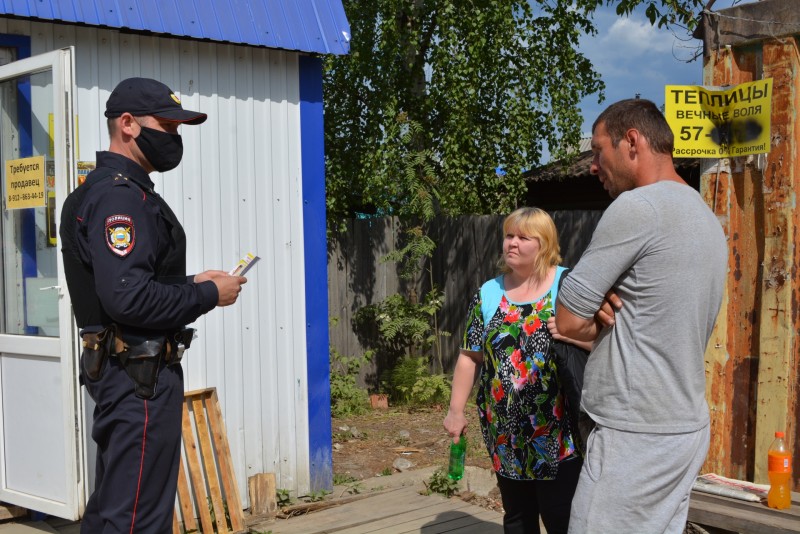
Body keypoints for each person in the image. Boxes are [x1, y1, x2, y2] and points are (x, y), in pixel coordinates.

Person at [60, 77, 247, 533]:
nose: (174, 138)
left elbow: (129, 283)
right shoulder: (119, 197)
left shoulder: (98, 192)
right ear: (127, 124)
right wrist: (206, 295)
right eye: (166, 126)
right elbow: (129, 297)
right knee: (136, 521)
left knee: (111, 512)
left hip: (125, 377)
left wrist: (190, 281)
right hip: (138, 382)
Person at [555, 98, 728, 534]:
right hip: (683, 429)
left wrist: (593, 307)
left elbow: (568, 320)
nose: (594, 165)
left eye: (598, 151)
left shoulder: (638, 207)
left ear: (631, 142)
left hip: (635, 434)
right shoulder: (706, 218)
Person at [444, 207, 593, 534]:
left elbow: (608, 343)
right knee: (517, 519)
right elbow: (469, 356)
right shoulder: (488, 293)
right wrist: (456, 412)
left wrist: (572, 335)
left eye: (523, 237)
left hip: (559, 433)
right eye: (508, 235)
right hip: (506, 433)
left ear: (544, 244)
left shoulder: (568, 286)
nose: (511, 243)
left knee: (563, 519)